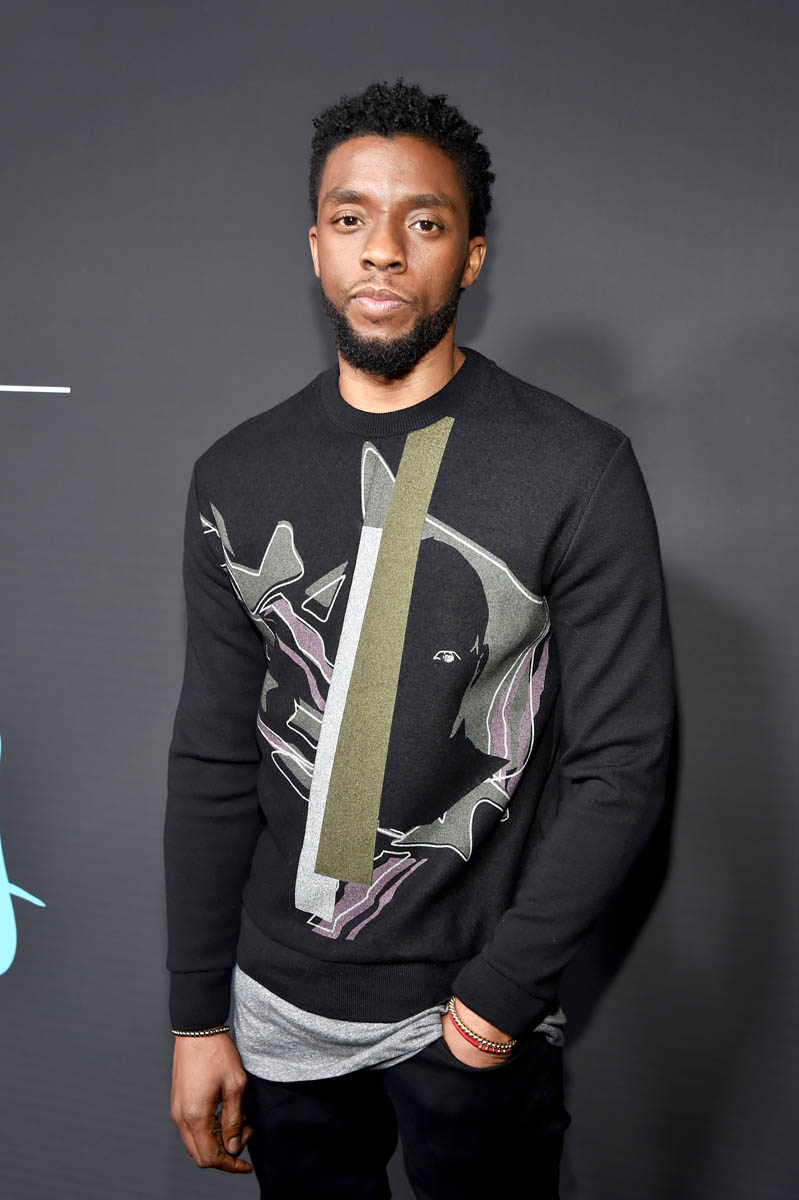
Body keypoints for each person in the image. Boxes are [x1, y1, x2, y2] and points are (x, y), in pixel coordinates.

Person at [163, 76, 676, 1199]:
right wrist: (198, 1014)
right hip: (277, 1009)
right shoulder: (234, 474)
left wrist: (495, 1006)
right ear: (315, 246)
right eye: (350, 217)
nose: (383, 250)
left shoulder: (574, 468)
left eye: (424, 222)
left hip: (468, 1011)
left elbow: (623, 764)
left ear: (471, 256)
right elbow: (212, 755)